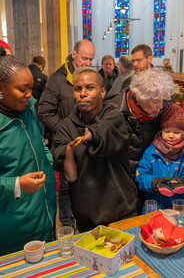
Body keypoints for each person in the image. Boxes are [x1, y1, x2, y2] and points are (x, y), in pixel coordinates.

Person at [53, 67, 137, 232]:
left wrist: (90, 134)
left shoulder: (114, 116)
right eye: (78, 89)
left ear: (103, 92)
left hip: (122, 209)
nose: (82, 93)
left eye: (89, 88)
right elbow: (65, 167)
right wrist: (69, 151)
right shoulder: (66, 127)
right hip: (87, 215)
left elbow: (104, 130)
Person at [0, 47, 56, 255]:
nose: (29, 95)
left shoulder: (28, 108)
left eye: (31, 88)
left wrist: (47, 158)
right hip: (14, 223)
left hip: (44, 209)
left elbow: (38, 140)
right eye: (22, 89)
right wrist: (17, 184)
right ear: (1, 88)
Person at [118, 67, 184, 213]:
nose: (161, 106)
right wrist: (153, 182)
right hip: (128, 177)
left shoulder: (160, 108)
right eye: (156, 101)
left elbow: (175, 124)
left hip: (171, 200)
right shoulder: (117, 113)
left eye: (163, 100)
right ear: (140, 97)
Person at [38, 39, 95, 228]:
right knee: (65, 186)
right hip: (65, 144)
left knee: (85, 183)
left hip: (86, 143)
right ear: (74, 55)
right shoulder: (57, 79)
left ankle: (85, 221)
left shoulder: (91, 77)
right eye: (84, 58)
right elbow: (44, 111)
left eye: (91, 59)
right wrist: (66, 129)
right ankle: (67, 224)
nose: (87, 63)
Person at [136, 104, 184, 212]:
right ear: (160, 130)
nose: (171, 135)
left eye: (176, 132)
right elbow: (141, 176)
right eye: (167, 131)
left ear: (183, 132)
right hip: (154, 210)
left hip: (177, 209)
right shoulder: (150, 152)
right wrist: (154, 183)